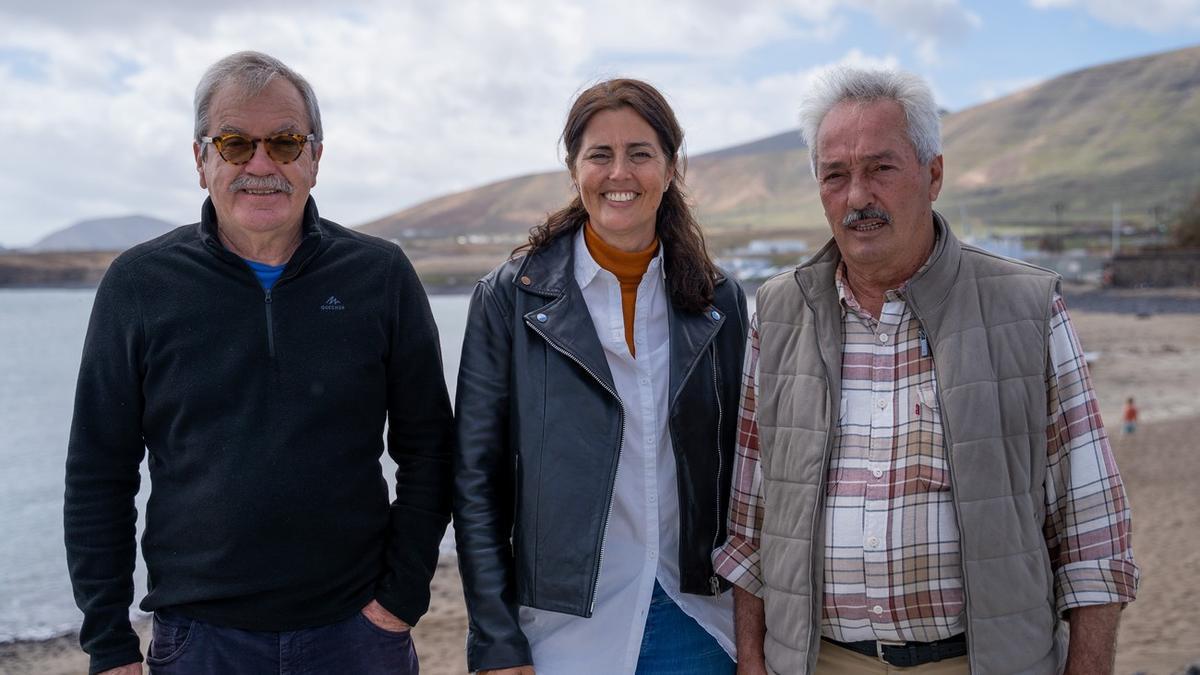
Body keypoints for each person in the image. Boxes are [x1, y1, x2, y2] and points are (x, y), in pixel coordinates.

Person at [713, 67, 1139, 674]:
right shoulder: (780, 313)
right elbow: (749, 518)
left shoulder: (1025, 306)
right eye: (835, 175)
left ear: (932, 175)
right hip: (818, 662)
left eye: (880, 168)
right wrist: (752, 659)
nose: (858, 196)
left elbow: (1092, 528)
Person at [64, 51, 454, 675]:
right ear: (202, 161)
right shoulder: (138, 285)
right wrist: (108, 644)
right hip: (200, 642)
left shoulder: (380, 276)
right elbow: (98, 474)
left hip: (357, 637)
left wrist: (401, 598)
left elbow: (431, 447)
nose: (262, 165)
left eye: (285, 141)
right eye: (235, 143)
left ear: (315, 158)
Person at [454, 78, 748, 674]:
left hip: (697, 620)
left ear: (670, 167)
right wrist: (495, 637)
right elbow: (475, 478)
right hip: (562, 630)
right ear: (574, 169)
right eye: (599, 155)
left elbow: (749, 473)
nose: (621, 173)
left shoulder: (718, 301)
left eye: (640, 153)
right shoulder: (510, 299)